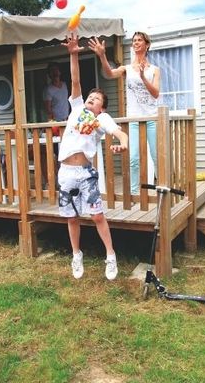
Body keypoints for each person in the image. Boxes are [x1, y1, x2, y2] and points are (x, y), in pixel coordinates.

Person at [58, 34, 128, 280]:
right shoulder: (76, 108)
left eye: (97, 99)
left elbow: (119, 133)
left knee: (97, 215)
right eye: (91, 96)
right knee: (71, 217)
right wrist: (73, 53)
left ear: (102, 108)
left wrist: (123, 144)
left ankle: (111, 255)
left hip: (85, 173)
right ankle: (76, 255)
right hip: (65, 172)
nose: (91, 99)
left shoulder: (102, 119)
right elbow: (75, 79)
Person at [89, 31, 160, 195]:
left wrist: (143, 77)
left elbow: (156, 93)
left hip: (151, 118)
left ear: (147, 45)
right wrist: (102, 56)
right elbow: (109, 74)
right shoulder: (127, 68)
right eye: (134, 40)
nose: (136, 42)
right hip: (133, 118)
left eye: (139, 40)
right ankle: (135, 194)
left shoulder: (155, 70)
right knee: (134, 158)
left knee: (157, 157)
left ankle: (161, 192)